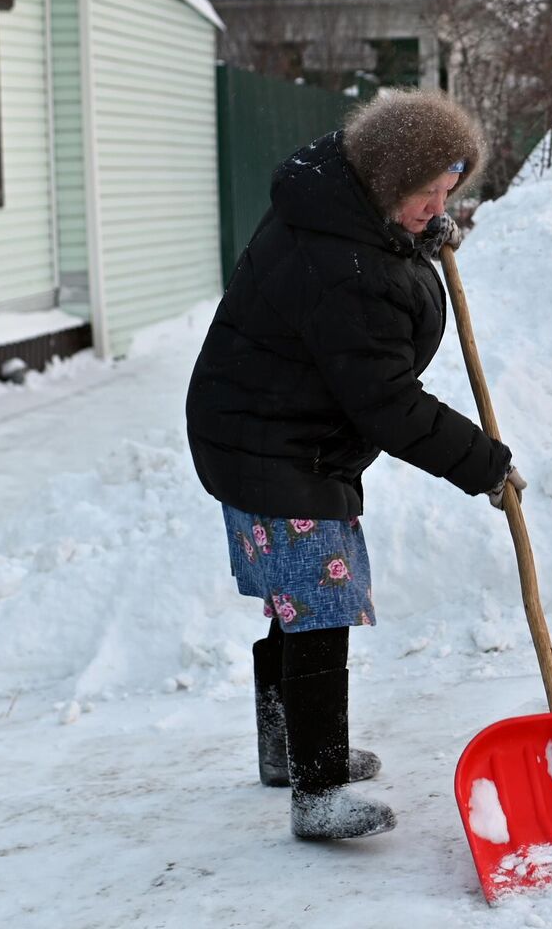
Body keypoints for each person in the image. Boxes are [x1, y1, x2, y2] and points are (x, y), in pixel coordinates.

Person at [184, 89, 525, 840]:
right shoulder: (345, 269)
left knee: (296, 602)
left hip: (266, 428)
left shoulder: (341, 202)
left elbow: (382, 261)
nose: (440, 207)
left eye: (449, 192)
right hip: (272, 444)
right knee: (321, 604)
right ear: (385, 179)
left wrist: (417, 236)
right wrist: (484, 463)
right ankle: (317, 789)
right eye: (427, 193)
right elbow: (389, 404)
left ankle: (287, 753)